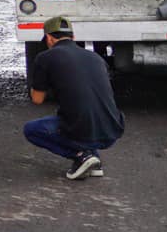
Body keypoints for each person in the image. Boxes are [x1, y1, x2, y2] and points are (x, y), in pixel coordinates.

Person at [24, 15, 125, 180]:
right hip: (112, 130)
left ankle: (80, 156)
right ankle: (94, 159)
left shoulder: (45, 58)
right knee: (79, 113)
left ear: (49, 38)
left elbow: (37, 99)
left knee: (32, 130)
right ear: (73, 37)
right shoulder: (96, 58)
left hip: (83, 129)